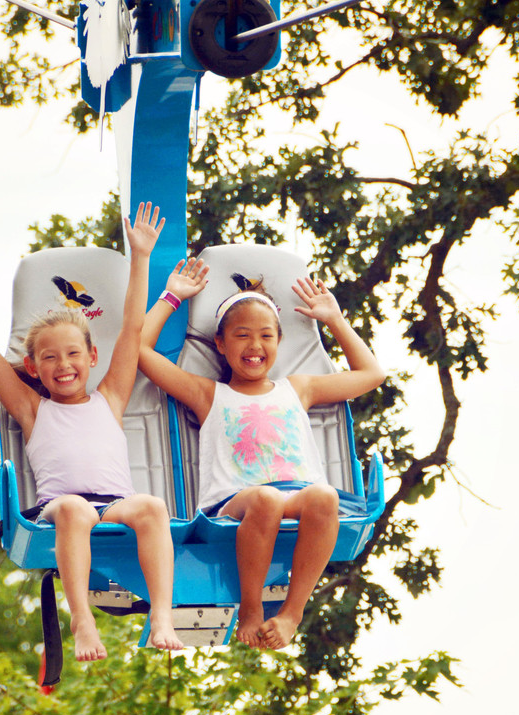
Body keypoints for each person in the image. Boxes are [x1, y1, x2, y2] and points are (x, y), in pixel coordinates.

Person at [0, 202, 184, 661]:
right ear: (33, 367)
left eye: (73, 355)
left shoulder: (111, 397)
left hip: (116, 504)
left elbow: (131, 329)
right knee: (75, 510)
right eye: (50, 358)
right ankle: (82, 620)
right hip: (61, 508)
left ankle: (162, 614)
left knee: (153, 507)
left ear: (91, 358)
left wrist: (139, 257)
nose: (64, 365)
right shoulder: (31, 408)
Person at [138, 259, 386, 649]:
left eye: (266, 336)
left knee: (325, 495)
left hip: (298, 492)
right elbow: (140, 351)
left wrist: (335, 320)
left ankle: (291, 612)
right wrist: (172, 297)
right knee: (267, 498)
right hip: (234, 502)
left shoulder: (298, 388)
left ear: (278, 341)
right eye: (242, 335)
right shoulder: (208, 394)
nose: (255, 346)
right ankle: (251, 609)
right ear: (220, 344)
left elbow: (372, 374)